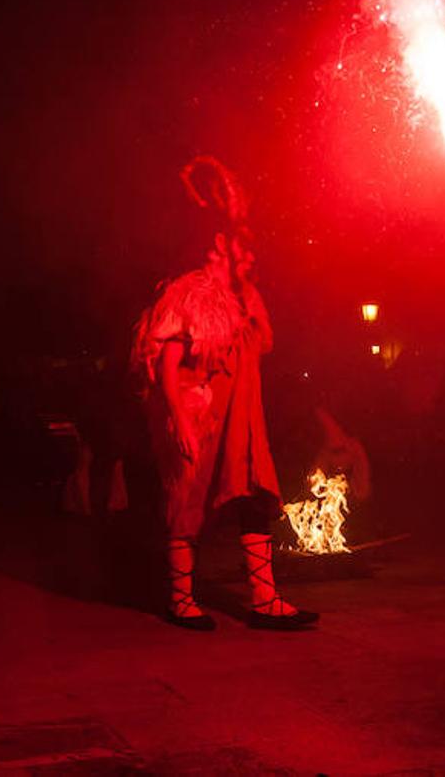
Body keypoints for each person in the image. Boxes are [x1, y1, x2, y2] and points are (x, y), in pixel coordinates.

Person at [133, 210, 317, 632]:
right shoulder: (190, 292)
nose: (252, 256)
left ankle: (265, 601)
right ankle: (180, 601)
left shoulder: (247, 299)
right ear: (220, 244)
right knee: (188, 502)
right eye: (245, 247)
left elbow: (258, 349)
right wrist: (179, 418)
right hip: (205, 417)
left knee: (255, 493)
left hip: (243, 420)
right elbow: (167, 358)